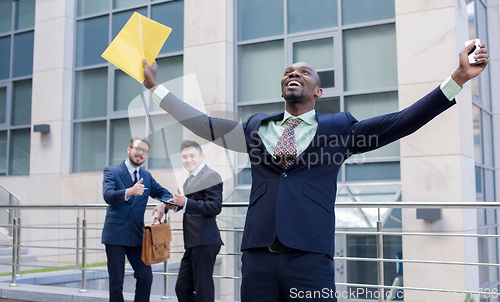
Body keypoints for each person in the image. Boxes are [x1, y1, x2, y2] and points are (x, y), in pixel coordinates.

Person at [141, 42, 489, 301]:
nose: (294, 74)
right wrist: (156, 89)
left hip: (309, 257)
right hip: (258, 255)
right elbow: (203, 124)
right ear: (283, 87)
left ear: (317, 91)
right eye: (289, 72)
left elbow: (401, 122)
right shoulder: (255, 128)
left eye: (304, 72)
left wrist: (457, 78)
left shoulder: (340, 128)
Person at [102, 136, 176, 302]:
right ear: (129, 149)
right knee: (116, 281)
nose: (140, 154)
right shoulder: (112, 171)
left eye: (144, 151)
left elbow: (165, 194)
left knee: (145, 276)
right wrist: (129, 192)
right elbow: (107, 195)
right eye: (137, 149)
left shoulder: (146, 176)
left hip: (136, 236)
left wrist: (163, 205)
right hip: (115, 235)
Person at [169, 140, 224, 302]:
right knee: (182, 288)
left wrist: (185, 203)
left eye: (192, 156)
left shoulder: (211, 175)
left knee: (203, 289)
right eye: (184, 157)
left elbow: (214, 207)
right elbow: (191, 202)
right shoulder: (190, 179)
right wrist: (171, 205)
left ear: (202, 156)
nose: (188, 160)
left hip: (205, 240)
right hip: (193, 242)